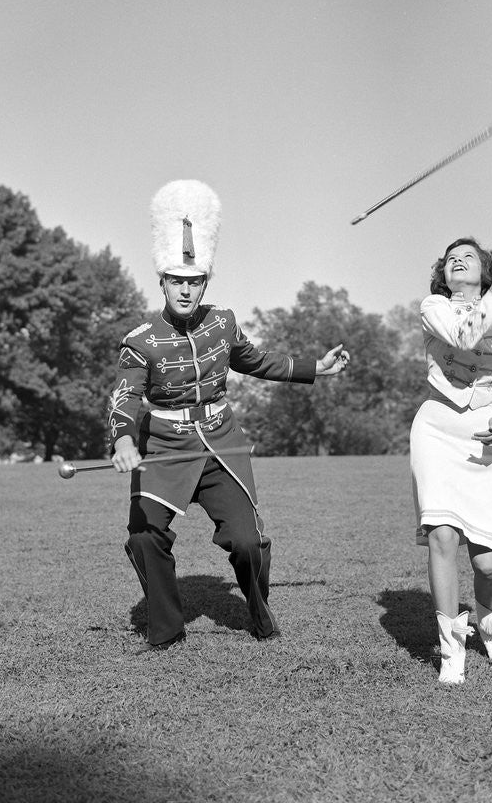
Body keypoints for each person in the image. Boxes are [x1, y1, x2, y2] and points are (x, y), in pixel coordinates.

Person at [108, 180, 349, 650]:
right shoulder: (139, 341)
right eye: (176, 280)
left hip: (222, 441)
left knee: (247, 541)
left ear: (205, 283)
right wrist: (122, 440)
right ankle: (167, 629)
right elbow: (125, 396)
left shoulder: (224, 322)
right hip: (164, 447)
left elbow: (255, 360)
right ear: (161, 282)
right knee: (143, 535)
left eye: (194, 281)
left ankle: (259, 613)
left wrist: (312, 368)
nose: (185, 290)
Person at [409, 234, 492, 684]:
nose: (458, 262)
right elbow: (465, 333)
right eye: (451, 260)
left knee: (488, 564)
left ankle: (489, 622)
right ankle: (450, 651)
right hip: (437, 431)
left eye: (468, 258)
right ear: (443, 275)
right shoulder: (434, 307)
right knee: (442, 536)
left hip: (484, 436)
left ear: (483, 268)